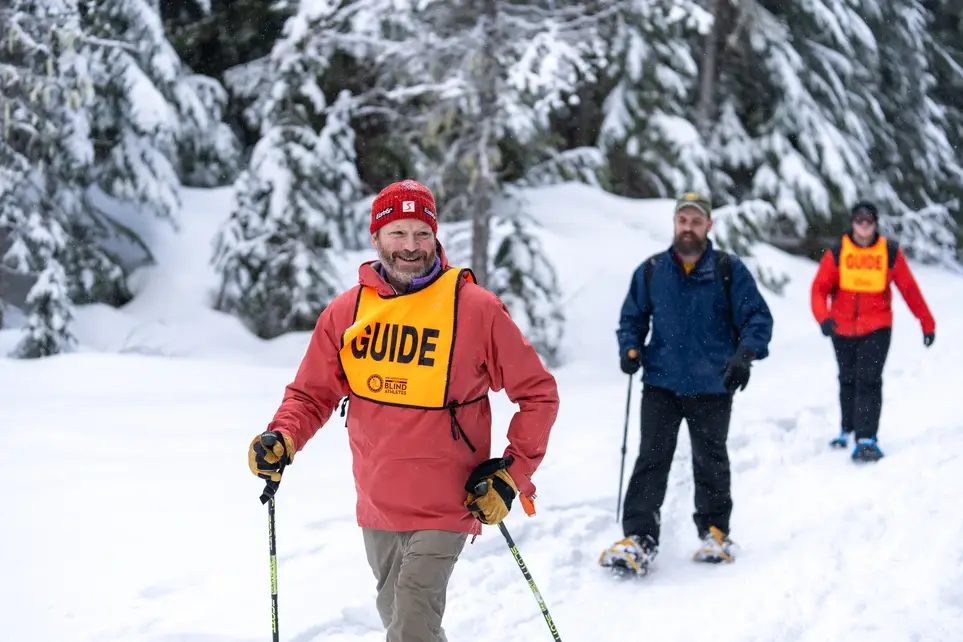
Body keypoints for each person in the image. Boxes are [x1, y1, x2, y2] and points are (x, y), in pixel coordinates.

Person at [247, 179, 560, 642]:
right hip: (378, 501)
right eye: (397, 233)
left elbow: (539, 394)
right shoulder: (347, 312)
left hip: (450, 500)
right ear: (376, 238)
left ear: (436, 237)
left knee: (411, 619)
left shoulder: (475, 309)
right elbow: (311, 394)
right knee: (400, 615)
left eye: (421, 233)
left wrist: (513, 474)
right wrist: (283, 437)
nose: (410, 247)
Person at [599, 192, 774, 577]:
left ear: (708, 226)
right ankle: (639, 538)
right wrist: (629, 349)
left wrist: (745, 355)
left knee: (710, 459)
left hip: (713, 385)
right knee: (651, 459)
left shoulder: (729, 269)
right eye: (683, 220)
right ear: (674, 224)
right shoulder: (652, 270)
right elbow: (632, 318)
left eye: (696, 221)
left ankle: (715, 532)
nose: (689, 228)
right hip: (661, 383)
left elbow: (758, 318)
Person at [810, 200, 935, 462]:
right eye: (859, 220)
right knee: (847, 378)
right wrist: (823, 318)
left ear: (875, 223)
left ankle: (866, 438)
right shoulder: (837, 252)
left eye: (869, 220)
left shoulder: (888, 252)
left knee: (868, 379)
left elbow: (909, 290)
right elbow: (819, 288)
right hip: (841, 326)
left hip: (877, 326)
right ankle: (847, 428)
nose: (864, 225)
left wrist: (926, 321)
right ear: (853, 223)